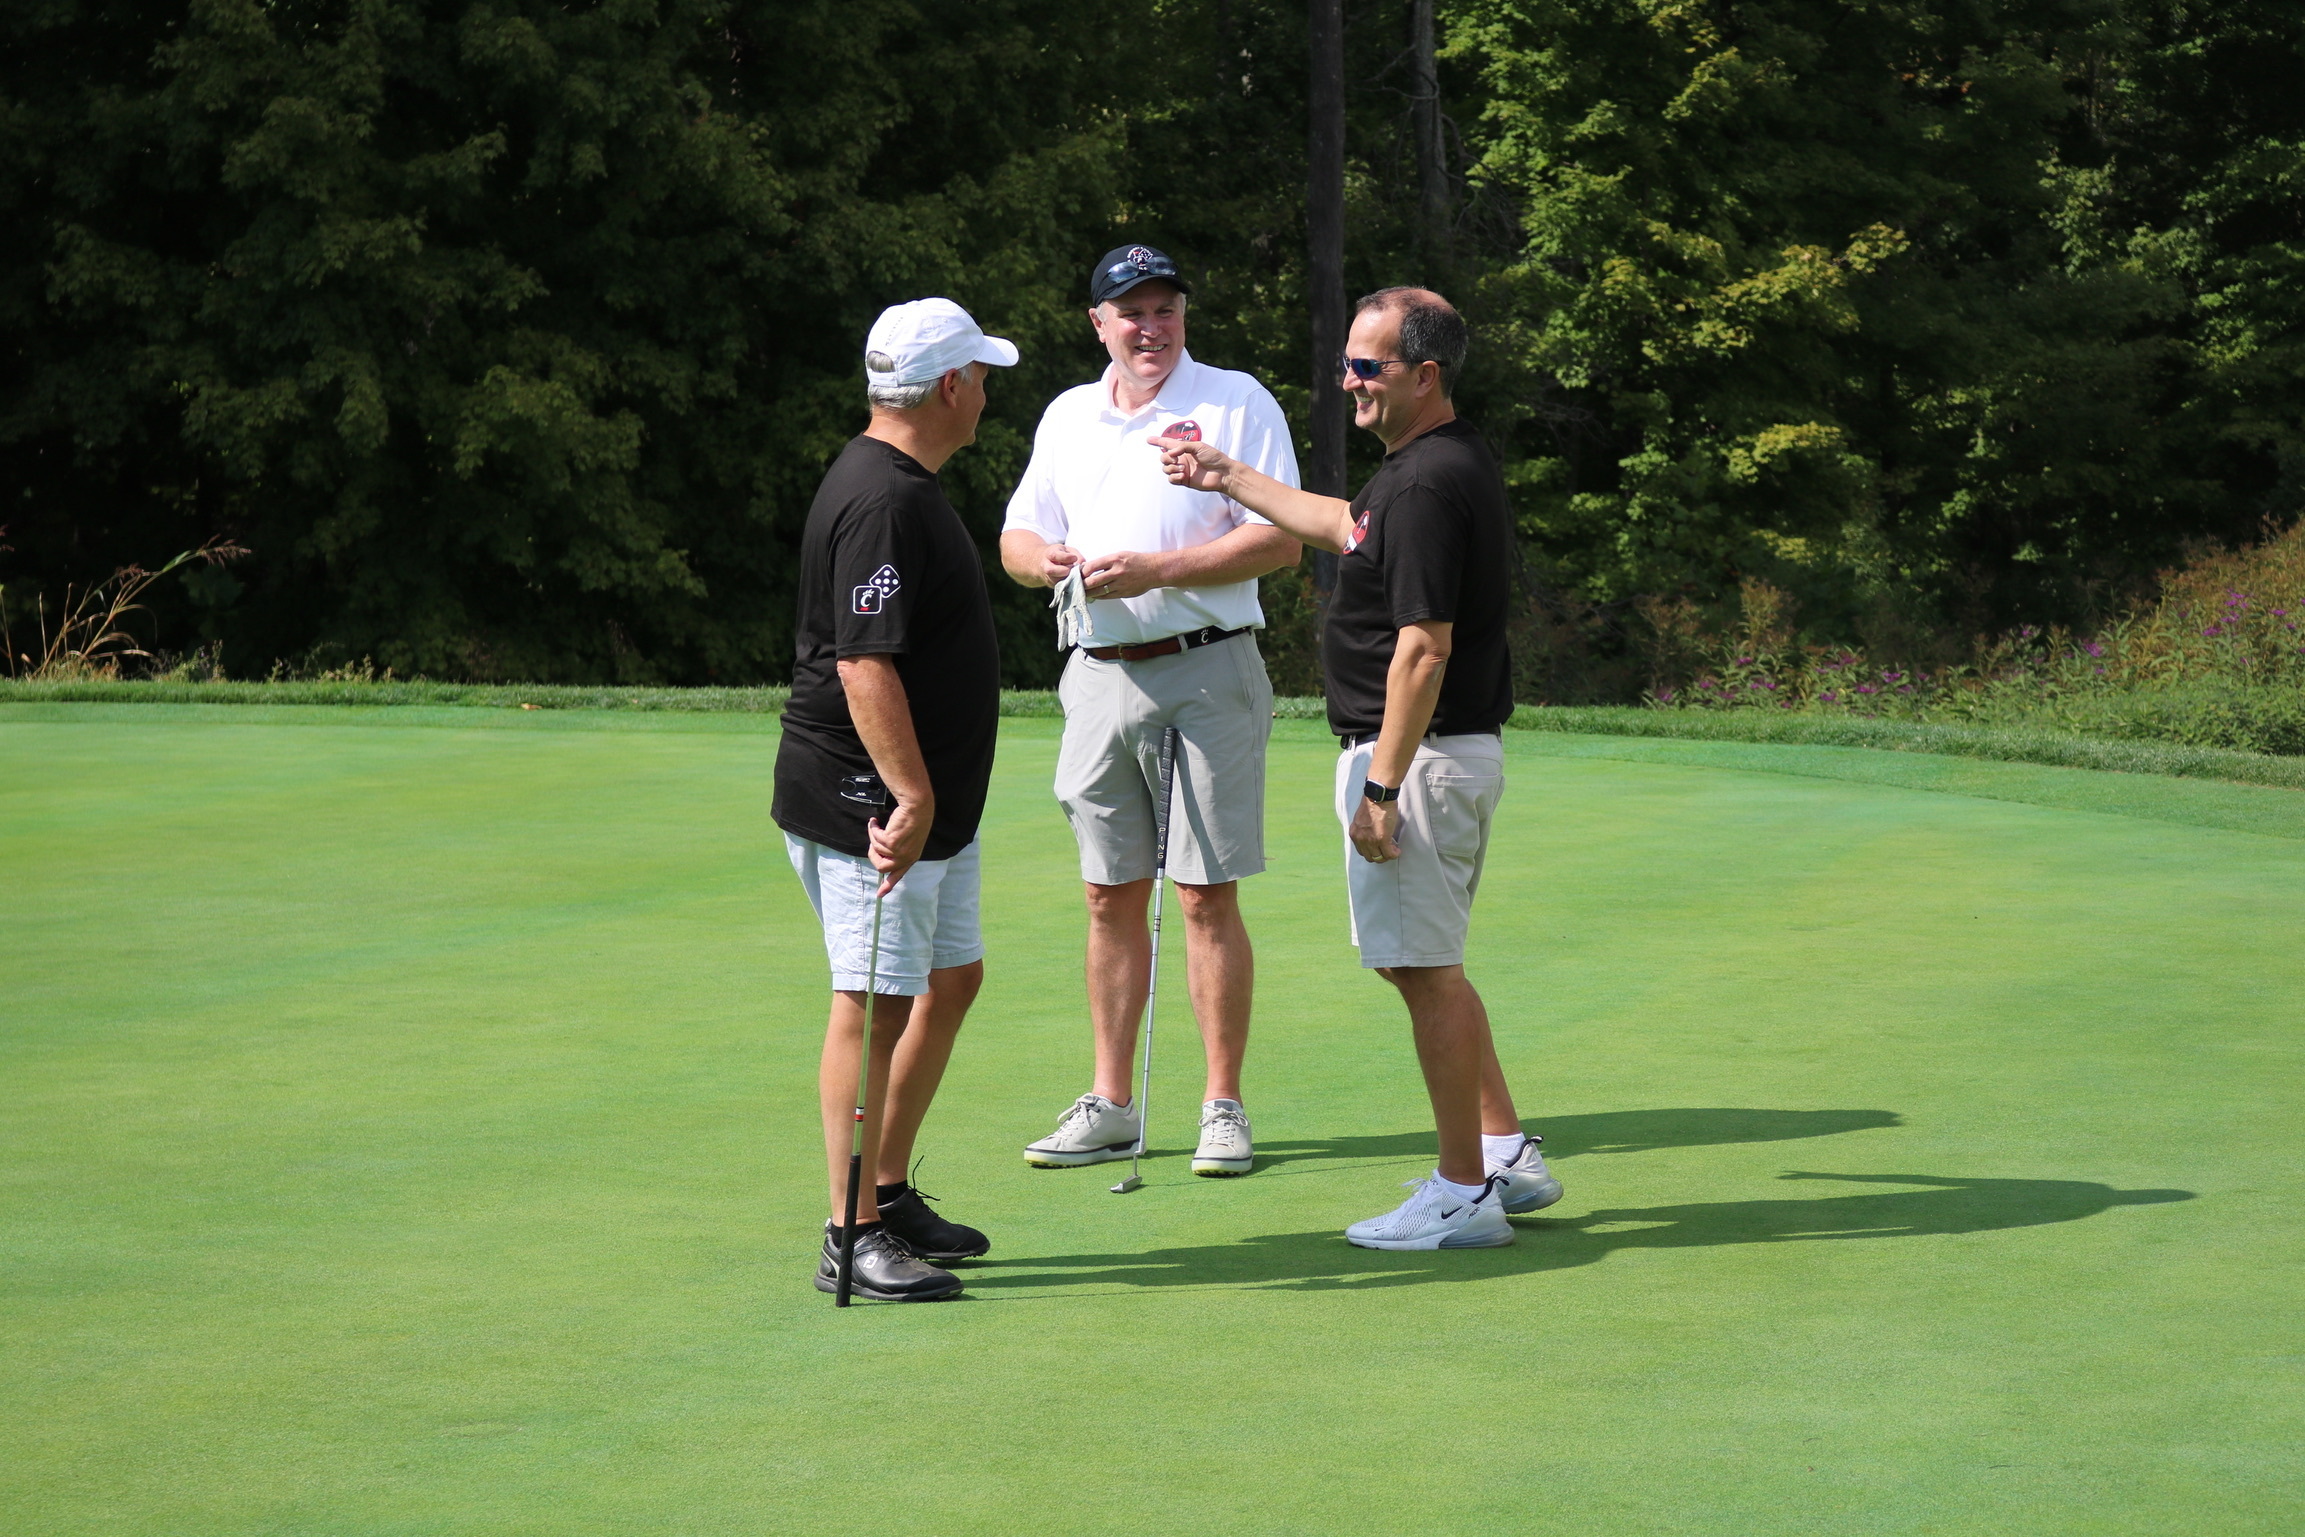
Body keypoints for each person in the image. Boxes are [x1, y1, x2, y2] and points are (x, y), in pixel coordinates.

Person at [1153, 287, 1564, 1250]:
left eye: (1367, 366)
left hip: (1417, 760)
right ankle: (1504, 1151)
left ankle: (1463, 1192)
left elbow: (1423, 647)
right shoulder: (1428, 465)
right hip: (1435, 757)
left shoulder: (1421, 484)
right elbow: (1344, 525)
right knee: (1427, 967)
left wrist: (1380, 787)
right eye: (1346, 363)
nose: (1348, 381)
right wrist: (1227, 474)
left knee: (1423, 971)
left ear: (1425, 374)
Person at [999, 243, 1303, 1178]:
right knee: (1107, 892)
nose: (1150, 327)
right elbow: (1016, 534)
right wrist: (1043, 561)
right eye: (1130, 312)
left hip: (1206, 667)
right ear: (1098, 323)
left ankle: (1222, 1105)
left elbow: (1281, 540)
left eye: (1165, 308)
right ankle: (1111, 1103)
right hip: (1097, 674)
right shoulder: (1068, 414)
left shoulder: (1235, 401)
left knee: (1205, 895)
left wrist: (1157, 570)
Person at [773, 298, 1017, 1301]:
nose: (987, 392)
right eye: (981, 375)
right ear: (950, 385)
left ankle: (885, 1187)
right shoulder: (882, 498)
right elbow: (862, 661)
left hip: (926, 805)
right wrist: (910, 794)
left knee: (948, 982)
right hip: (872, 803)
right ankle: (850, 1230)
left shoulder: (901, 484)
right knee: (871, 1001)